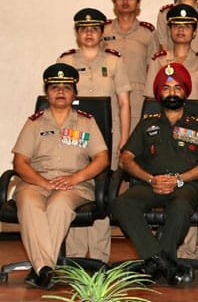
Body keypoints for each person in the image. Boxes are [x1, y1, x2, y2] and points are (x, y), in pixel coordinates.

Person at [109, 62, 198, 286]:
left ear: (185, 92)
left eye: (178, 88)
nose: (172, 93)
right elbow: (126, 158)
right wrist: (150, 179)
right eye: (167, 88)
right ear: (159, 93)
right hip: (151, 184)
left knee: (179, 207)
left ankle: (154, 262)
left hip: (186, 186)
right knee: (122, 203)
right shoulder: (146, 123)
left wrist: (179, 179)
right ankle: (163, 262)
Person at [12, 63, 109, 289]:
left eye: (66, 87)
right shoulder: (34, 122)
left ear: (75, 92)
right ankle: (45, 269)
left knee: (59, 204)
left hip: (75, 185)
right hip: (36, 182)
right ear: (47, 92)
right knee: (27, 204)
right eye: (55, 87)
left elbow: (102, 158)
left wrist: (74, 178)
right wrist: (43, 182)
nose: (61, 91)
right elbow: (20, 162)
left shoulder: (86, 121)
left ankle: (41, 268)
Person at [58, 8, 132, 263]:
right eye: (83, 29)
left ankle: (100, 259)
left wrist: (123, 140)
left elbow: (124, 103)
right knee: (75, 187)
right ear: (77, 33)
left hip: (107, 139)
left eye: (94, 29)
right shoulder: (65, 62)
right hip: (73, 138)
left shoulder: (114, 61)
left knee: (102, 194)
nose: (89, 33)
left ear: (102, 32)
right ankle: (77, 258)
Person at [103, 0, 158, 128]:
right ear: (114, 0)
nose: (125, 2)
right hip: (108, 96)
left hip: (137, 99)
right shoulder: (103, 31)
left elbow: (152, 70)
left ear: (138, 1)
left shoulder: (147, 33)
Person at [144, 4, 198, 101]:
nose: (180, 29)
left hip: (194, 115)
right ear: (170, 31)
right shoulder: (158, 61)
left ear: (194, 33)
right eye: (176, 26)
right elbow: (151, 100)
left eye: (186, 26)